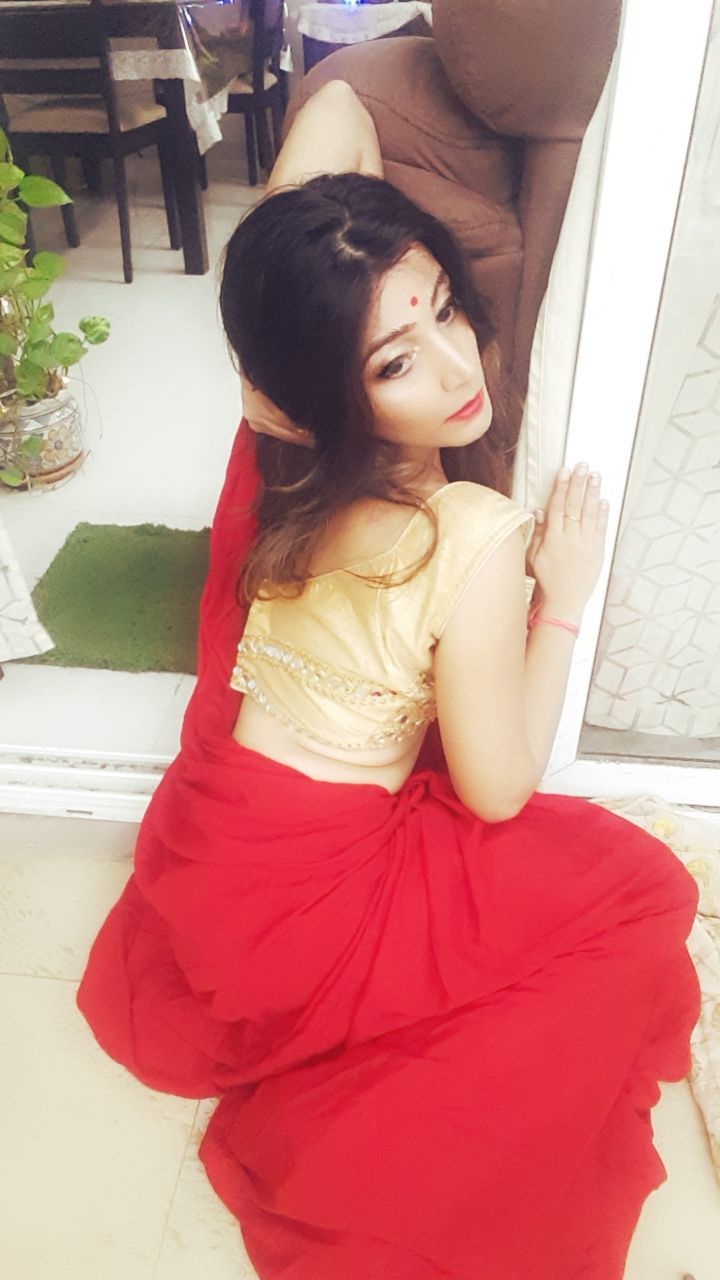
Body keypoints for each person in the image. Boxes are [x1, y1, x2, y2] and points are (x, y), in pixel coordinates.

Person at [76, 81, 701, 1279]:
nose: (459, 367)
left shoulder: (275, 451)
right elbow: (500, 791)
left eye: (447, 308)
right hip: (311, 919)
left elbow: (341, 101)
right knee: (635, 889)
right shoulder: (470, 532)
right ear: (322, 388)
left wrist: (317, 274)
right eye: (397, 360)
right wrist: (562, 596)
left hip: (207, 871)